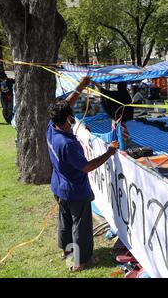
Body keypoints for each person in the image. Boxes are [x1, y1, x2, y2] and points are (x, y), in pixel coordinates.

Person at [47, 76, 119, 272]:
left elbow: (66, 104)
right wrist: (109, 152)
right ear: (64, 121)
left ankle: (66, 251)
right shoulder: (68, 144)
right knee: (81, 225)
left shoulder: (51, 127)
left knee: (65, 219)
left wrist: (82, 84)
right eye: (70, 119)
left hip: (59, 186)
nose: (72, 121)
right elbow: (87, 167)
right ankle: (81, 261)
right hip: (74, 190)